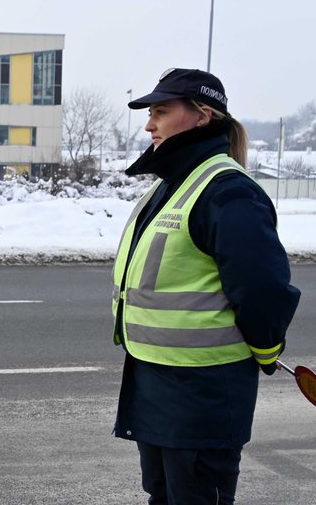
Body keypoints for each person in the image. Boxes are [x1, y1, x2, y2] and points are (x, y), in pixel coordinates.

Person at [111, 68, 299, 504]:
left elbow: (264, 290)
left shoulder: (227, 190)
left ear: (202, 116)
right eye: (150, 112)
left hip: (203, 395)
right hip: (157, 383)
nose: (149, 123)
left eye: (161, 111)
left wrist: (268, 348)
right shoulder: (173, 184)